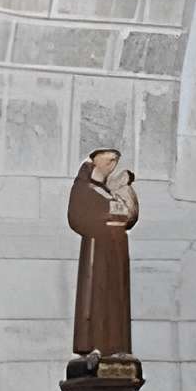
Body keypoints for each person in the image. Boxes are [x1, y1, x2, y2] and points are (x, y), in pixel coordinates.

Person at [67, 147, 140, 375]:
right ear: (95, 160)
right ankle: (95, 346)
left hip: (116, 252)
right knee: (96, 296)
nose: (113, 165)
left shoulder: (109, 190)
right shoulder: (83, 188)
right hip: (97, 251)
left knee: (115, 298)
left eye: (115, 161)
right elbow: (76, 217)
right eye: (109, 160)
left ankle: (116, 345)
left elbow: (129, 215)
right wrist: (105, 217)